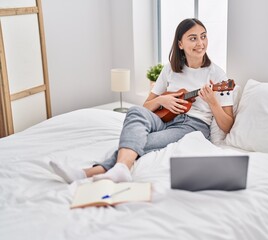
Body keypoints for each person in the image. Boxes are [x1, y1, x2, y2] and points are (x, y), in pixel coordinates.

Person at [50, 18, 234, 184]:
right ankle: (119, 169)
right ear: (180, 44)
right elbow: (146, 106)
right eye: (193, 38)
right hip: (164, 118)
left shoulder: (217, 75)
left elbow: (226, 125)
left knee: (144, 141)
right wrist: (163, 99)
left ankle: (90, 172)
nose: (200, 43)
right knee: (134, 112)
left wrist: (213, 102)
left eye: (203, 36)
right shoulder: (171, 69)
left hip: (192, 125)